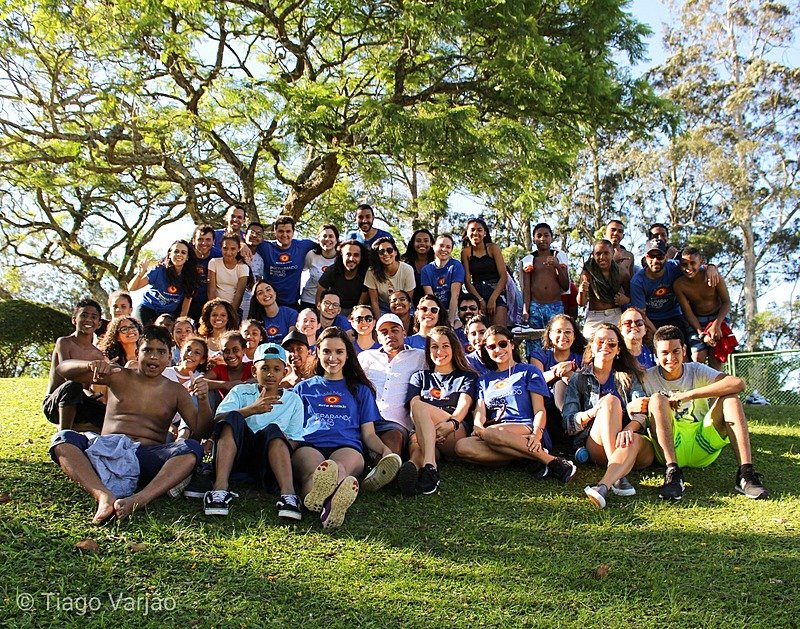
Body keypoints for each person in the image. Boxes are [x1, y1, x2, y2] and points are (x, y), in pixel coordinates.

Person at [48, 325, 211, 523]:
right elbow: (63, 369)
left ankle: (139, 499)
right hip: (105, 452)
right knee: (62, 439)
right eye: (147, 350)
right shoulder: (118, 375)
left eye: (160, 352)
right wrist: (91, 365)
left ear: (170, 357)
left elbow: (201, 430)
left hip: (147, 458)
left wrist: (203, 400)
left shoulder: (177, 391)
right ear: (137, 352)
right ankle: (103, 495)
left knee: (191, 449)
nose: (153, 357)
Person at [643, 325, 768, 501]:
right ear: (656, 353)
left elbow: (738, 384)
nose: (670, 358)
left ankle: (746, 473)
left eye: (676, 351)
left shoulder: (696, 369)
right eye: (664, 353)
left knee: (731, 399)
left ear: (684, 350)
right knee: (657, 400)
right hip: (672, 445)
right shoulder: (647, 377)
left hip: (702, 444)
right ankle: (673, 474)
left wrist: (688, 395)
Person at [292, 327, 395, 528]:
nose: (333, 357)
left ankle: (327, 500)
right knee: (314, 473)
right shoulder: (303, 388)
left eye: (339, 352)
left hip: (347, 447)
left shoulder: (361, 390)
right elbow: (293, 427)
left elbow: (369, 434)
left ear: (347, 355)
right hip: (310, 444)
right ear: (318, 352)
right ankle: (330, 504)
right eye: (327, 351)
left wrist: (384, 451)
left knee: (339, 468)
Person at [454, 325, 577, 482]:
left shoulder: (529, 371)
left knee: (491, 432)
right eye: (492, 346)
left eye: (502, 344)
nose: (498, 350)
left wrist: (536, 434)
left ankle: (553, 462)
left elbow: (539, 409)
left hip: (526, 428)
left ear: (511, 344)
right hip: (497, 433)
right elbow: (480, 410)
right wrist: (478, 426)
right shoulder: (484, 380)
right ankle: (531, 456)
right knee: (462, 446)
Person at [557, 324, 653, 509]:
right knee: (610, 402)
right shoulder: (579, 379)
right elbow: (568, 423)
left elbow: (642, 411)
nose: (605, 347)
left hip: (630, 442)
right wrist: (593, 412)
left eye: (611, 344)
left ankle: (604, 485)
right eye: (600, 342)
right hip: (596, 443)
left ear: (618, 350)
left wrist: (628, 429)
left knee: (632, 438)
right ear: (592, 346)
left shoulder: (628, 376)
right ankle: (618, 477)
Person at [206, 343, 305, 519]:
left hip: (268, 461)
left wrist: (280, 449)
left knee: (274, 430)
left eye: (276, 369)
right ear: (254, 371)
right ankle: (219, 489)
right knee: (233, 418)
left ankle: (289, 495)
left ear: (284, 371)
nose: (270, 374)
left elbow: (295, 438)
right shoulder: (241, 391)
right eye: (264, 368)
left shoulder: (293, 400)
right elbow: (218, 420)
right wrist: (251, 409)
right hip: (237, 455)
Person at [401, 327, 477, 496]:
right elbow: (413, 410)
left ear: (454, 348)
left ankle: (430, 468)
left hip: (453, 430)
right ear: (428, 350)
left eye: (445, 346)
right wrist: (429, 431)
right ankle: (411, 469)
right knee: (417, 445)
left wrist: (451, 424)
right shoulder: (419, 377)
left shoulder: (466, 376)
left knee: (421, 407)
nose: (439, 351)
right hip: (426, 432)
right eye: (434, 347)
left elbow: (463, 406)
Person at [358, 313, 427, 473]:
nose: (390, 335)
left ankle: (379, 469)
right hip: (365, 417)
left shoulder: (419, 357)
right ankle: (379, 468)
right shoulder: (366, 357)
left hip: (394, 422)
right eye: (384, 332)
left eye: (394, 330)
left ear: (404, 333)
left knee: (394, 438)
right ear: (378, 338)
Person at [631, 239, 719, 337]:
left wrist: (711, 267)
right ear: (646, 257)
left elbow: (696, 267)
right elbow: (642, 314)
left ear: (666, 257)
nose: (655, 261)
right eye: (651, 256)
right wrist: (658, 335)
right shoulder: (637, 281)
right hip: (651, 319)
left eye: (660, 256)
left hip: (674, 315)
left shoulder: (676, 267)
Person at [43, 298, 106, 432]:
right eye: (83, 315)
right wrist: (90, 367)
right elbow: (67, 374)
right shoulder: (64, 343)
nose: (88, 319)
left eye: (94, 317)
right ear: (74, 320)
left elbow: (88, 386)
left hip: (81, 401)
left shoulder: (98, 355)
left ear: (99, 324)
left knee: (106, 412)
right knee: (73, 386)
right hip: (56, 402)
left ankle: (85, 430)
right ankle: (64, 434)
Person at [528, 314, 586, 451]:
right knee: (559, 383)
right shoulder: (539, 355)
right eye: (558, 331)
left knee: (566, 380)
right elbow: (537, 380)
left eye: (567, 332)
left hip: (577, 404)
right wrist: (557, 371)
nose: (563, 336)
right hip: (546, 406)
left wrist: (571, 368)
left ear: (575, 335)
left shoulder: (582, 356)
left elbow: (585, 384)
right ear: (549, 334)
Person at [674, 246, 733, 369]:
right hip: (697, 320)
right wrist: (701, 334)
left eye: (692, 263)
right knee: (697, 358)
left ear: (701, 262)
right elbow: (687, 312)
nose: (689, 268)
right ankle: (700, 387)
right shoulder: (679, 285)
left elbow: (726, 302)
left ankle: (717, 387)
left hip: (718, 316)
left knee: (716, 358)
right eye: (684, 264)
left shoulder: (714, 277)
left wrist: (716, 325)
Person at [129, 240, 199, 326]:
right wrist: (140, 274)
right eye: (176, 251)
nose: (179, 255)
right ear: (170, 254)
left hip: (168, 314)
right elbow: (132, 288)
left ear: (187, 257)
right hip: (148, 308)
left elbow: (185, 306)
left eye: (183, 252)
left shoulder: (190, 278)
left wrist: (180, 322)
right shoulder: (159, 270)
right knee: (146, 335)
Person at [256, 215, 316, 308]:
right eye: (280, 231)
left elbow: (325, 247)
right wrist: (243, 245)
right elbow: (245, 239)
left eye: (288, 231)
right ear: (275, 232)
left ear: (293, 232)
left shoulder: (303, 246)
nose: (284, 235)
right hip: (268, 302)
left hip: (292, 304)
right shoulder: (265, 247)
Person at [521, 223, 570, 331]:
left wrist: (557, 265)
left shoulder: (559, 257)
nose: (543, 239)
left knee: (555, 339)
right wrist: (526, 310)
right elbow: (527, 289)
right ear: (534, 240)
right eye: (539, 236)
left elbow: (566, 286)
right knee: (535, 340)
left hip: (555, 306)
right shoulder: (529, 260)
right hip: (535, 307)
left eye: (546, 235)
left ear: (551, 238)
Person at [577, 239, 630, 339]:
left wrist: (625, 300)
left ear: (613, 253)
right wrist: (581, 291)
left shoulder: (622, 273)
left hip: (615, 314)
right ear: (593, 255)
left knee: (618, 344)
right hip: (594, 315)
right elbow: (581, 303)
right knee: (588, 345)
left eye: (606, 253)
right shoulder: (588, 272)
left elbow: (631, 296)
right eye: (598, 254)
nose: (602, 257)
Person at [461, 217, 508, 326]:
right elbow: (467, 281)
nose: (475, 233)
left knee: (498, 330)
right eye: (472, 230)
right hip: (477, 292)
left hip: (496, 291)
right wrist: (480, 300)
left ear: (485, 233)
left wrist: (492, 299)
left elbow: (503, 276)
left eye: (479, 230)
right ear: (467, 233)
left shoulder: (493, 248)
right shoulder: (466, 252)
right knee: (480, 329)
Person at [365, 236, 416, 317]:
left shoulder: (407, 269)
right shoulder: (371, 272)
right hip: (383, 307)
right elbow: (374, 301)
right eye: (381, 252)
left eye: (389, 250)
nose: (386, 254)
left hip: (403, 305)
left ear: (395, 252)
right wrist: (379, 322)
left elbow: (408, 298)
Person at [421, 233, 465, 328]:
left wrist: (450, 322)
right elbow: (431, 298)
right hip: (435, 310)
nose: (444, 249)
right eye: (441, 245)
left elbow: (455, 296)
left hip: (453, 309)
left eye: (448, 247)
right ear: (433, 247)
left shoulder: (456, 266)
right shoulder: (426, 270)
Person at [316, 240, 369, 315]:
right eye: (348, 254)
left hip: (356, 310)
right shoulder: (332, 271)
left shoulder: (366, 274)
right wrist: (322, 316)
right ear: (341, 255)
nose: (351, 259)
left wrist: (352, 317)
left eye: (356, 255)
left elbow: (362, 302)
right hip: (334, 308)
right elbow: (319, 295)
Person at [208, 232, 250, 315]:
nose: (228, 252)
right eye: (225, 248)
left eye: (233, 249)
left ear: (238, 249)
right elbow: (211, 291)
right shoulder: (214, 263)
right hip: (215, 308)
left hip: (234, 310)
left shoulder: (243, 267)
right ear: (221, 248)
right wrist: (215, 311)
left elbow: (239, 295)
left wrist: (229, 315)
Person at [188, 224, 222, 323]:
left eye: (208, 240)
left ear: (213, 241)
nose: (204, 243)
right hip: (185, 299)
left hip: (207, 301)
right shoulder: (185, 252)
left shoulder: (218, 255)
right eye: (200, 239)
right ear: (194, 240)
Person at [300, 224, 339, 310]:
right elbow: (299, 271)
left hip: (331, 303)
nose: (327, 239)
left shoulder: (341, 258)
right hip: (309, 300)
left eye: (331, 236)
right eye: (324, 236)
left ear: (336, 240)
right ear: (318, 239)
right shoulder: (311, 255)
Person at [247, 280, 298, 344]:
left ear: (275, 292)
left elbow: (290, 341)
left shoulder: (291, 314)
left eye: (268, 290)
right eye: (260, 293)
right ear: (257, 299)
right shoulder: (256, 320)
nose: (265, 294)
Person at [206, 332, 254, 400]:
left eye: (235, 350)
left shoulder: (251, 366)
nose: (231, 355)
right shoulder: (220, 369)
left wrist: (245, 384)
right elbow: (200, 381)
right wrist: (226, 384)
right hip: (224, 409)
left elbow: (262, 377)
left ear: (243, 350)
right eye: (226, 351)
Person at [401, 228, 435, 305]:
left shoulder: (437, 262)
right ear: (413, 243)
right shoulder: (404, 263)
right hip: (409, 303)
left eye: (426, 241)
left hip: (431, 301)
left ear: (431, 244)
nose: (422, 243)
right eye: (418, 241)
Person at [239, 221, 266, 318]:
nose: (255, 236)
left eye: (259, 234)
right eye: (252, 232)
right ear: (245, 235)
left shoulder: (260, 260)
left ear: (262, 239)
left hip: (250, 302)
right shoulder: (236, 254)